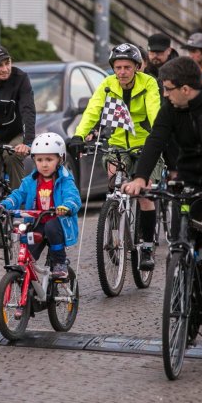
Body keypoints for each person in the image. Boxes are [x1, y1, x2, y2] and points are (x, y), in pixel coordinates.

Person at [122, 57, 202, 297]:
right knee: (181, 228)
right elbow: (155, 140)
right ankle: (188, 291)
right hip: (190, 175)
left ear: (185, 89)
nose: (164, 94)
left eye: (168, 89)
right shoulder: (171, 108)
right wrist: (140, 177)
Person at [71, 42, 162, 270]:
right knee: (115, 187)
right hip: (118, 145)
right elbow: (93, 109)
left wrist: (159, 133)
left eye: (127, 67)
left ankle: (148, 245)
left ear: (137, 67)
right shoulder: (108, 85)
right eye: (118, 67)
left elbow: (154, 109)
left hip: (145, 145)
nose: (121, 72)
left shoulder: (149, 83)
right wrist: (79, 135)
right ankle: (115, 229)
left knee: (144, 193)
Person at [0, 133, 81, 277]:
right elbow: (17, 195)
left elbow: (73, 197)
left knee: (51, 226)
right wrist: (3, 206)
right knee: (27, 253)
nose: (44, 164)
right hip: (37, 223)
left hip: (58, 224)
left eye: (49, 159)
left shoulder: (64, 180)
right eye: (39, 160)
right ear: (34, 160)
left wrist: (66, 206)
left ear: (60, 159)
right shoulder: (29, 181)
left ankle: (59, 262)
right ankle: (29, 284)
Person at [0, 44, 36, 189]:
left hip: (14, 134)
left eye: (8, 63)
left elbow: (28, 110)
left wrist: (28, 142)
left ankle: (17, 205)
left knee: (12, 157)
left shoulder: (21, 78)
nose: (5, 69)